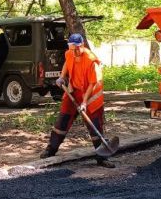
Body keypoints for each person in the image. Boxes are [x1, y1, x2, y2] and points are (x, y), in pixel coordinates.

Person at [41, 32, 114, 168]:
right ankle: (51, 150)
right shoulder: (70, 53)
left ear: (82, 45)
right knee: (63, 119)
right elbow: (67, 64)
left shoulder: (91, 60)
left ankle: (102, 157)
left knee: (95, 125)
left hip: (90, 95)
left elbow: (92, 84)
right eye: (71, 49)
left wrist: (84, 102)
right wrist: (62, 77)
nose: (74, 52)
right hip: (74, 92)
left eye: (76, 49)